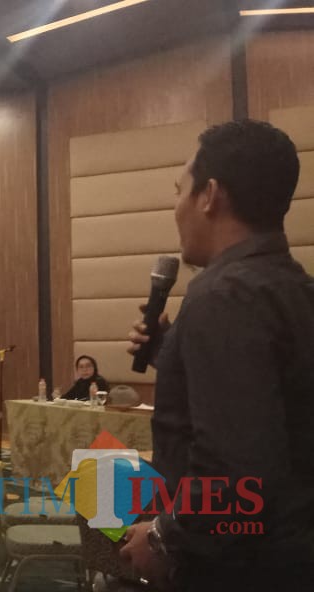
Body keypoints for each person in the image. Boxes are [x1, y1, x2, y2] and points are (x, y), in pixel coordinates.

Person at [120, 120, 314, 590]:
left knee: (92, 493)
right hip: (291, 546)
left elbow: (236, 468)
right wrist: (172, 351)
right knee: (101, 479)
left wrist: (164, 538)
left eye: (178, 190)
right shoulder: (294, 286)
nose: (176, 207)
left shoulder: (221, 296)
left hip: (234, 563)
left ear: (209, 195)